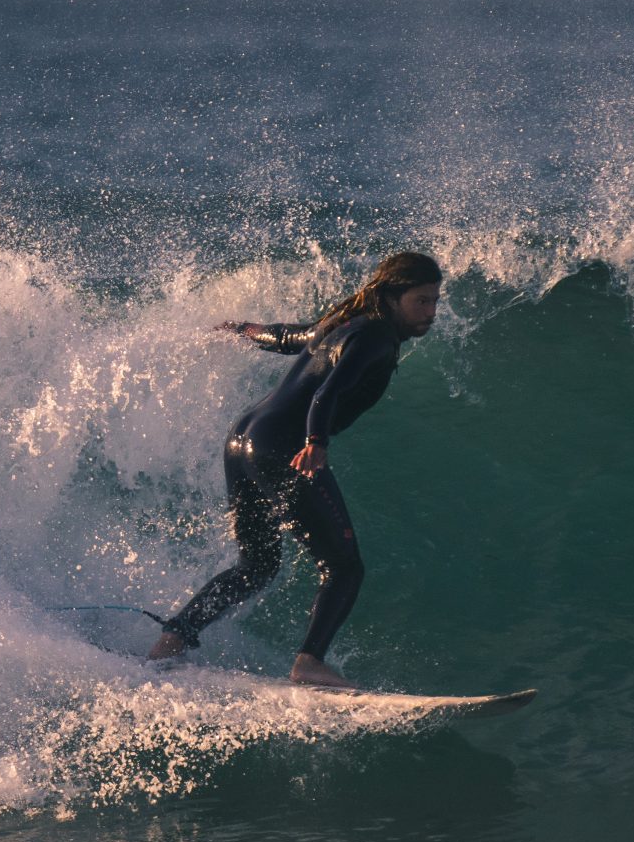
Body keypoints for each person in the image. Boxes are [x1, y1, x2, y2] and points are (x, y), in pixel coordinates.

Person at [149, 251, 444, 689]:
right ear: (392, 295)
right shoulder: (377, 335)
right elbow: (328, 392)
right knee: (345, 567)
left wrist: (244, 330)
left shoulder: (345, 322)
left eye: (435, 301)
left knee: (257, 565)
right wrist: (315, 442)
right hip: (279, 447)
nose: (431, 313)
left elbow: (290, 337)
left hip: (242, 439)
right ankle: (309, 663)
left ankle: (173, 638)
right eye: (422, 301)